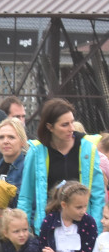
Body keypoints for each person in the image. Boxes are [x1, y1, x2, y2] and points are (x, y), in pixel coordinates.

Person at [18, 98, 105, 234]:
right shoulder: (36, 152)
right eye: (65, 125)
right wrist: (23, 230)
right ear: (50, 127)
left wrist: (95, 230)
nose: (71, 128)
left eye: (72, 122)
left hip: (82, 229)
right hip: (48, 228)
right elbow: (26, 196)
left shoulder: (87, 149)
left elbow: (98, 195)